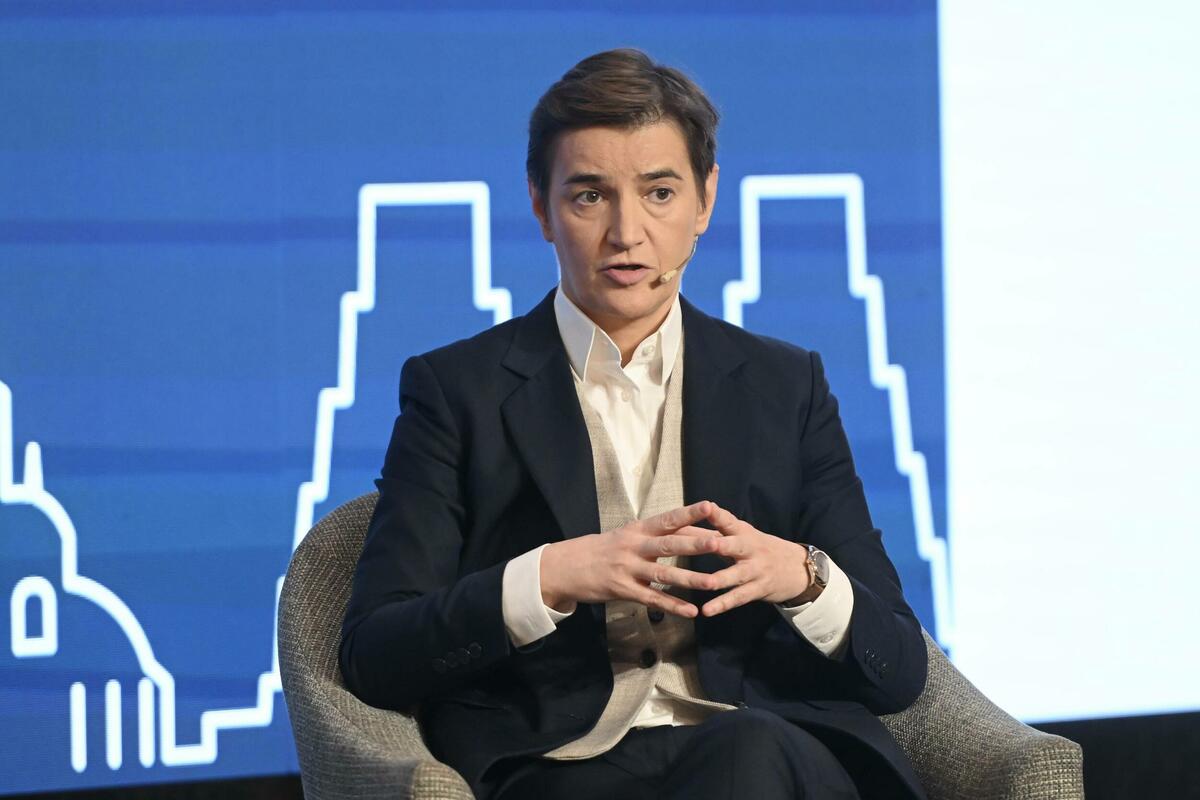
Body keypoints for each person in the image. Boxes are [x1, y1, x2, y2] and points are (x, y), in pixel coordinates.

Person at [340, 48, 928, 800]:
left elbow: (899, 667)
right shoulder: (455, 392)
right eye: (590, 195)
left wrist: (800, 578)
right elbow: (375, 653)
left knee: (746, 755)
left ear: (705, 201)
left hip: (761, 743)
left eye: (659, 193)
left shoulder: (787, 386)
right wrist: (550, 577)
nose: (627, 232)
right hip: (558, 760)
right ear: (540, 207)